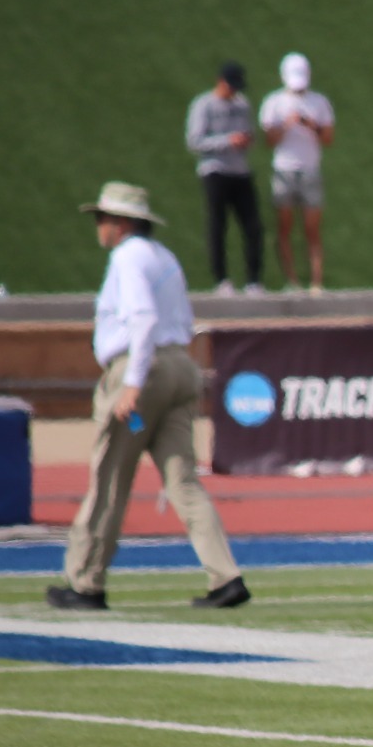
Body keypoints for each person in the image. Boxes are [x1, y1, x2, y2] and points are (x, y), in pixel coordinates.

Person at [49, 182, 248, 612]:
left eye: (102, 218)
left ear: (120, 223)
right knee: (183, 481)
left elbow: (142, 318)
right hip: (179, 367)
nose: (98, 227)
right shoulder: (164, 257)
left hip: (144, 370)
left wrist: (133, 386)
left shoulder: (127, 257)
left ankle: (85, 582)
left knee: (110, 479)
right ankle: (226, 576)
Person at [257, 53, 335, 293]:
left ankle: (316, 282)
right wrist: (287, 125)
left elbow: (328, 139)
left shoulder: (319, 102)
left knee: (312, 227)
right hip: (284, 169)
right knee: (285, 226)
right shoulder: (274, 102)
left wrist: (311, 125)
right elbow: (269, 141)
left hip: (310, 169)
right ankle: (292, 281)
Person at [184, 60, 263, 295]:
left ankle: (254, 280)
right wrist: (228, 141)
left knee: (253, 225)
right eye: (231, 86)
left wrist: (246, 140)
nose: (234, 92)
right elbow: (194, 141)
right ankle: (222, 280)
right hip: (215, 171)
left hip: (241, 171)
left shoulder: (243, 104)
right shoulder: (203, 105)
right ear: (220, 82)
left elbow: (250, 133)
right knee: (218, 225)